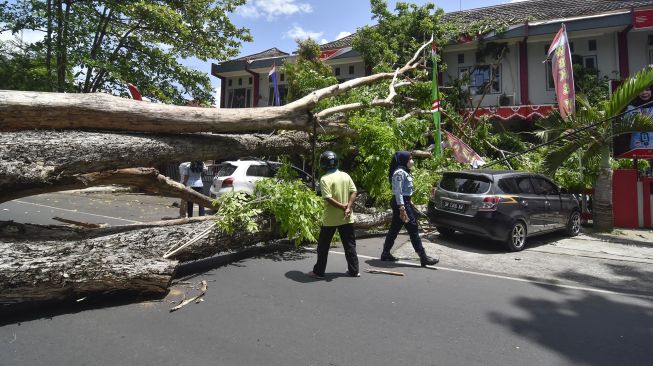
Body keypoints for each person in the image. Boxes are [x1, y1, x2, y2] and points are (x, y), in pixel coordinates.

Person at [380, 151, 439, 267]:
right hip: (401, 204)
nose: (411, 161)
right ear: (404, 160)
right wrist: (402, 208)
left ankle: (385, 253)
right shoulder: (399, 173)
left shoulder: (404, 171)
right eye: (410, 158)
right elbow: (398, 192)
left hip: (404, 202)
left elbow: (404, 191)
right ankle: (423, 257)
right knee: (413, 228)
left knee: (395, 228)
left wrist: (408, 202)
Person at [307, 151, 360, 279]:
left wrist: (343, 207)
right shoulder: (345, 175)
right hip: (347, 217)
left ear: (323, 164)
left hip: (330, 219)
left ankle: (319, 272)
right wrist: (348, 207)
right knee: (349, 245)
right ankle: (354, 271)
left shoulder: (325, 179)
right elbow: (354, 191)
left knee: (323, 247)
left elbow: (328, 198)